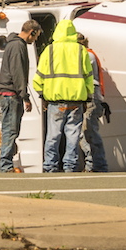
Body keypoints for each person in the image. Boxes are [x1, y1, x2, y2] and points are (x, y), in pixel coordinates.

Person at [33, 19, 97, 173]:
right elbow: (88, 77)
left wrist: (43, 95)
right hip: (76, 101)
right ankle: (70, 166)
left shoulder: (49, 50)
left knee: (53, 136)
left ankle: (50, 166)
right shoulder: (81, 50)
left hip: (55, 101)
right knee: (73, 136)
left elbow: (38, 78)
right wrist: (88, 97)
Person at [0, 20, 41, 173]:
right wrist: (25, 96)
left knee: (11, 129)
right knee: (10, 130)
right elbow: (18, 73)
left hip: (9, 94)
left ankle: (6, 164)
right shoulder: (17, 46)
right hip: (11, 95)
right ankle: (5, 165)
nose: (35, 40)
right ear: (31, 32)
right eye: (36, 37)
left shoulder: (13, 44)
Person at [75, 33, 108, 173]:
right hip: (94, 95)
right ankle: (93, 164)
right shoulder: (90, 54)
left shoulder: (86, 55)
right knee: (87, 131)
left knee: (88, 132)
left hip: (90, 95)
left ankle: (95, 165)